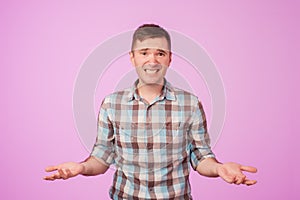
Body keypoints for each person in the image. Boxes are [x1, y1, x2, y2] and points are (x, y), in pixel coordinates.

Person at [44, 24, 257, 199]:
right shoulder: (111, 104)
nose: (152, 61)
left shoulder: (190, 104)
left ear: (169, 59)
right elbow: (102, 156)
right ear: (133, 57)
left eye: (160, 53)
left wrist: (219, 169)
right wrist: (81, 168)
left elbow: (200, 156)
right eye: (144, 53)